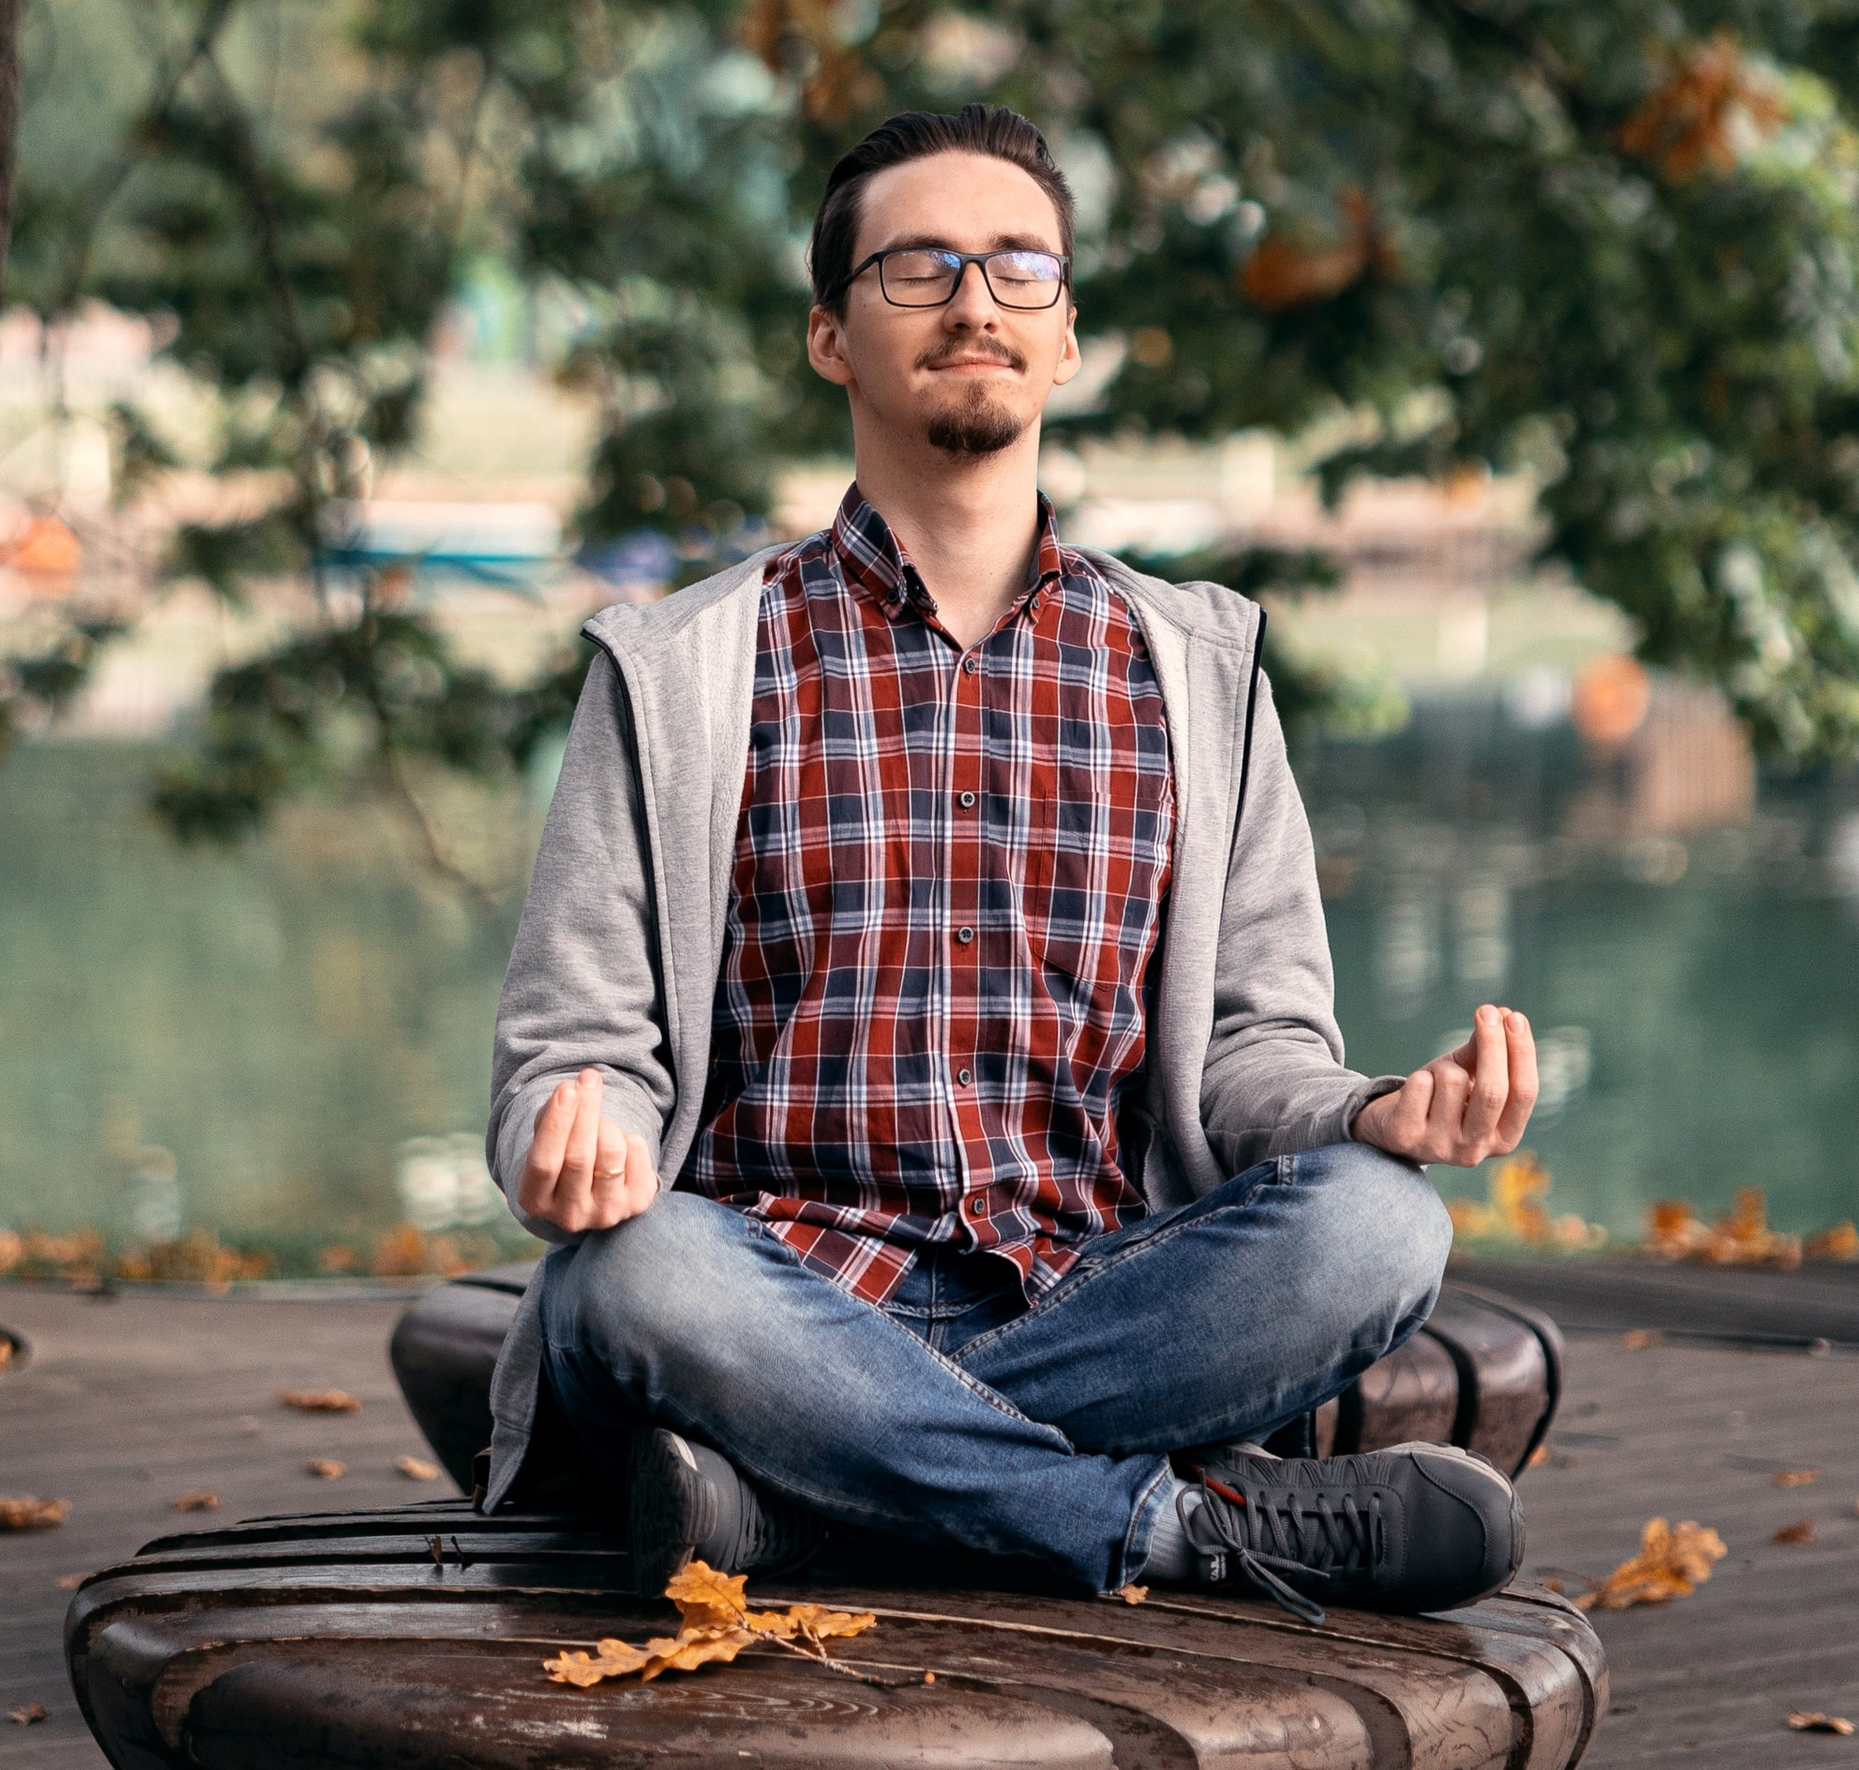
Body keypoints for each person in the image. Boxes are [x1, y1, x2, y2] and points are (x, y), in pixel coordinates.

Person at [483, 102, 1540, 1620]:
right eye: (916, 267)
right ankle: (1171, 1529)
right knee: (628, 1279)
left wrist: (1368, 1109)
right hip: (770, 1296)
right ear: (832, 338)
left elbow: (1254, 1052)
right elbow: (571, 1052)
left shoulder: (1195, 668)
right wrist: (578, 1130)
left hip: (1103, 1297)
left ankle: (802, 1496)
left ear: (1066, 337)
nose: (974, 300)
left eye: (1017, 266)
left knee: (1380, 1223)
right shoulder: (677, 670)